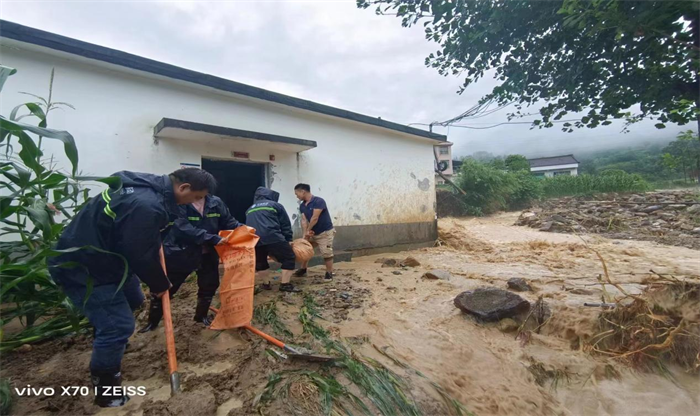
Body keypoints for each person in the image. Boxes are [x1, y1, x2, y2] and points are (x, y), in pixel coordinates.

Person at [49, 169, 216, 408]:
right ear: (184, 187)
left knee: (135, 299)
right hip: (85, 267)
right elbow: (139, 252)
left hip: (112, 260)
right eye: (195, 197)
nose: (194, 202)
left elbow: (140, 238)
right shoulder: (146, 204)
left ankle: (109, 341)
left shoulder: (151, 190)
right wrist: (160, 284)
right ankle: (107, 390)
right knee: (119, 326)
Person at [139, 194, 242, 332]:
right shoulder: (179, 202)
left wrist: (243, 229)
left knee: (209, 285)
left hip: (208, 253)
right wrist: (211, 238)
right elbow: (181, 227)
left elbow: (228, 221)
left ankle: (201, 317)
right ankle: (153, 322)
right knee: (166, 288)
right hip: (181, 253)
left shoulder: (215, 202)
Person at [245, 187, 300, 293]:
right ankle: (285, 285)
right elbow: (285, 224)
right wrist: (288, 239)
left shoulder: (250, 208)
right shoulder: (275, 205)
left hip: (255, 239)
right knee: (289, 257)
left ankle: (266, 284)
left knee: (260, 262)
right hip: (273, 236)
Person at [293, 183, 335, 281]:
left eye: (297, 193)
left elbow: (315, 218)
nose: (297, 196)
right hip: (312, 232)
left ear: (303, 191)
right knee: (306, 249)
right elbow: (304, 220)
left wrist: (308, 230)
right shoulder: (302, 206)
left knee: (326, 252)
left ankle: (329, 272)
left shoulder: (319, 201)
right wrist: (305, 235)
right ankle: (303, 269)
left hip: (325, 232)